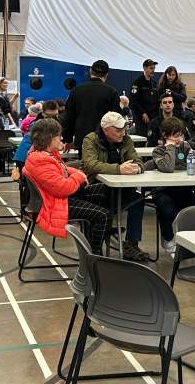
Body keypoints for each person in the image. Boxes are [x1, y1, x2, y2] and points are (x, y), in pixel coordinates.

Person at [23, 118, 112, 254]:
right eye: (59, 135)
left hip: (59, 198)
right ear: (50, 138)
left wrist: (78, 173)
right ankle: (94, 256)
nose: (62, 138)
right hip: (55, 204)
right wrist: (79, 176)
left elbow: (63, 170)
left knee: (107, 191)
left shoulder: (46, 154)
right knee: (103, 215)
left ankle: (97, 233)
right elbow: (63, 189)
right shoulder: (39, 160)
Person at [80, 110, 152, 262]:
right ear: (106, 130)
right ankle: (95, 247)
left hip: (122, 189)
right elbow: (90, 165)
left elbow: (137, 161)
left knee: (138, 200)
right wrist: (118, 169)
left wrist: (136, 168)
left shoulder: (126, 140)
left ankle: (131, 244)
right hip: (96, 189)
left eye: (124, 128)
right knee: (100, 205)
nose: (123, 132)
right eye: (118, 130)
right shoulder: (90, 140)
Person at [148, 116, 195, 257]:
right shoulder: (158, 151)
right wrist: (169, 147)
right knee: (167, 207)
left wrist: (192, 156)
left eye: (180, 135)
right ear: (165, 135)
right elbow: (168, 168)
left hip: (183, 189)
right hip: (163, 190)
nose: (179, 139)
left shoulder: (185, 146)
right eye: (175, 136)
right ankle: (168, 239)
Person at [63, 59, 121, 149]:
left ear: (90, 71)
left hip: (82, 140)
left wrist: (68, 139)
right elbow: (117, 118)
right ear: (106, 74)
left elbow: (69, 117)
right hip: (104, 141)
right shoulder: (112, 92)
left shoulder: (76, 91)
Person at [129, 58, 160, 138]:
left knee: (153, 137)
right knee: (142, 138)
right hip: (141, 118)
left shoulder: (154, 83)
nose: (153, 70)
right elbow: (133, 101)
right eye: (151, 68)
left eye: (154, 68)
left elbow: (157, 101)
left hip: (153, 117)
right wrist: (142, 113)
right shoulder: (137, 82)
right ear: (145, 68)